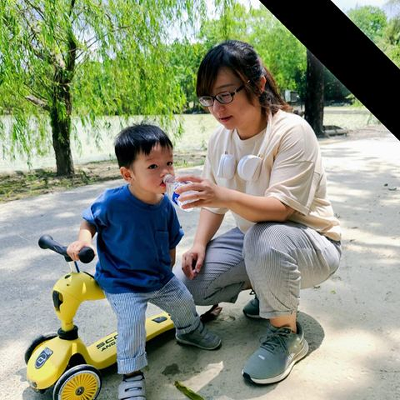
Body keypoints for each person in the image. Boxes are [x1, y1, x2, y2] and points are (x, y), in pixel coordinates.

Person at [173, 40, 342, 385]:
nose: (216, 108)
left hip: (312, 243)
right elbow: (215, 205)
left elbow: (281, 209)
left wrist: (221, 193)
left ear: (258, 83)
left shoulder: (292, 131)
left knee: (265, 238)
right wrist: (199, 244)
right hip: (256, 240)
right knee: (188, 284)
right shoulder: (220, 139)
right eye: (208, 98)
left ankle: (287, 333)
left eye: (225, 94)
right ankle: (267, 290)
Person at [67, 124, 221, 400]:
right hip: (122, 282)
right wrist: (83, 241)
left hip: (159, 277)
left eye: (169, 163)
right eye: (153, 166)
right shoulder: (113, 202)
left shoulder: (166, 205)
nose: (166, 172)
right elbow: (89, 220)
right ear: (128, 174)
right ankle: (131, 374)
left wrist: (169, 269)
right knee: (132, 322)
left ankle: (189, 331)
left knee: (184, 302)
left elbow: (171, 241)